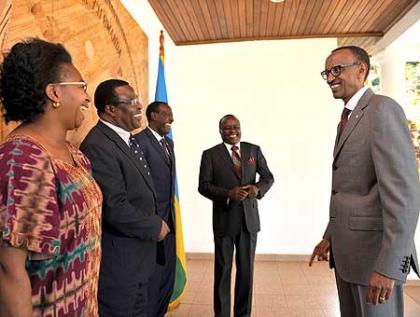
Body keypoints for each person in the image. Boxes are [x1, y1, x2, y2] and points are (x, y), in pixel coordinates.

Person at [309, 46, 420, 317]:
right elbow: (350, 189)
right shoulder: (347, 118)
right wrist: (329, 236)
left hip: (375, 260)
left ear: (362, 69)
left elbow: (404, 195)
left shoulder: (382, 109)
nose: (331, 77)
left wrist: (390, 266)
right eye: (327, 72)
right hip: (348, 256)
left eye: (337, 69)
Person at [0, 38, 102, 316]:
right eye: (82, 87)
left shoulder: (73, 153)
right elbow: (9, 271)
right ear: (54, 93)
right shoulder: (24, 158)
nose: (87, 97)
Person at [80, 79, 170, 317]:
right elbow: (114, 207)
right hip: (121, 265)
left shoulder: (128, 139)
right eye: (132, 102)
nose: (140, 106)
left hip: (140, 258)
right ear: (110, 109)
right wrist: (155, 225)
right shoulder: (98, 144)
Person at [198, 114, 274, 317]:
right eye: (227, 128)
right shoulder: (210, 155)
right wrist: (227, 194)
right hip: (224, 221)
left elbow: (268, 176)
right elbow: (203, 186)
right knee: (223, 272)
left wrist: (257, 189)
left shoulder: (253, 150)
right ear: (220, 130)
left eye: (236, 127)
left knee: (246, 272)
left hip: (249, 222)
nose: (232, 131)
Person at [134, 101, 176, 317]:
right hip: (152, 224)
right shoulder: (139, 142)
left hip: (169, 222)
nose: (171, 119)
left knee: (166, 278)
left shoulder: (168, 144)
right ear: (153, 115)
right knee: (151, 281)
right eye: (166, 115)